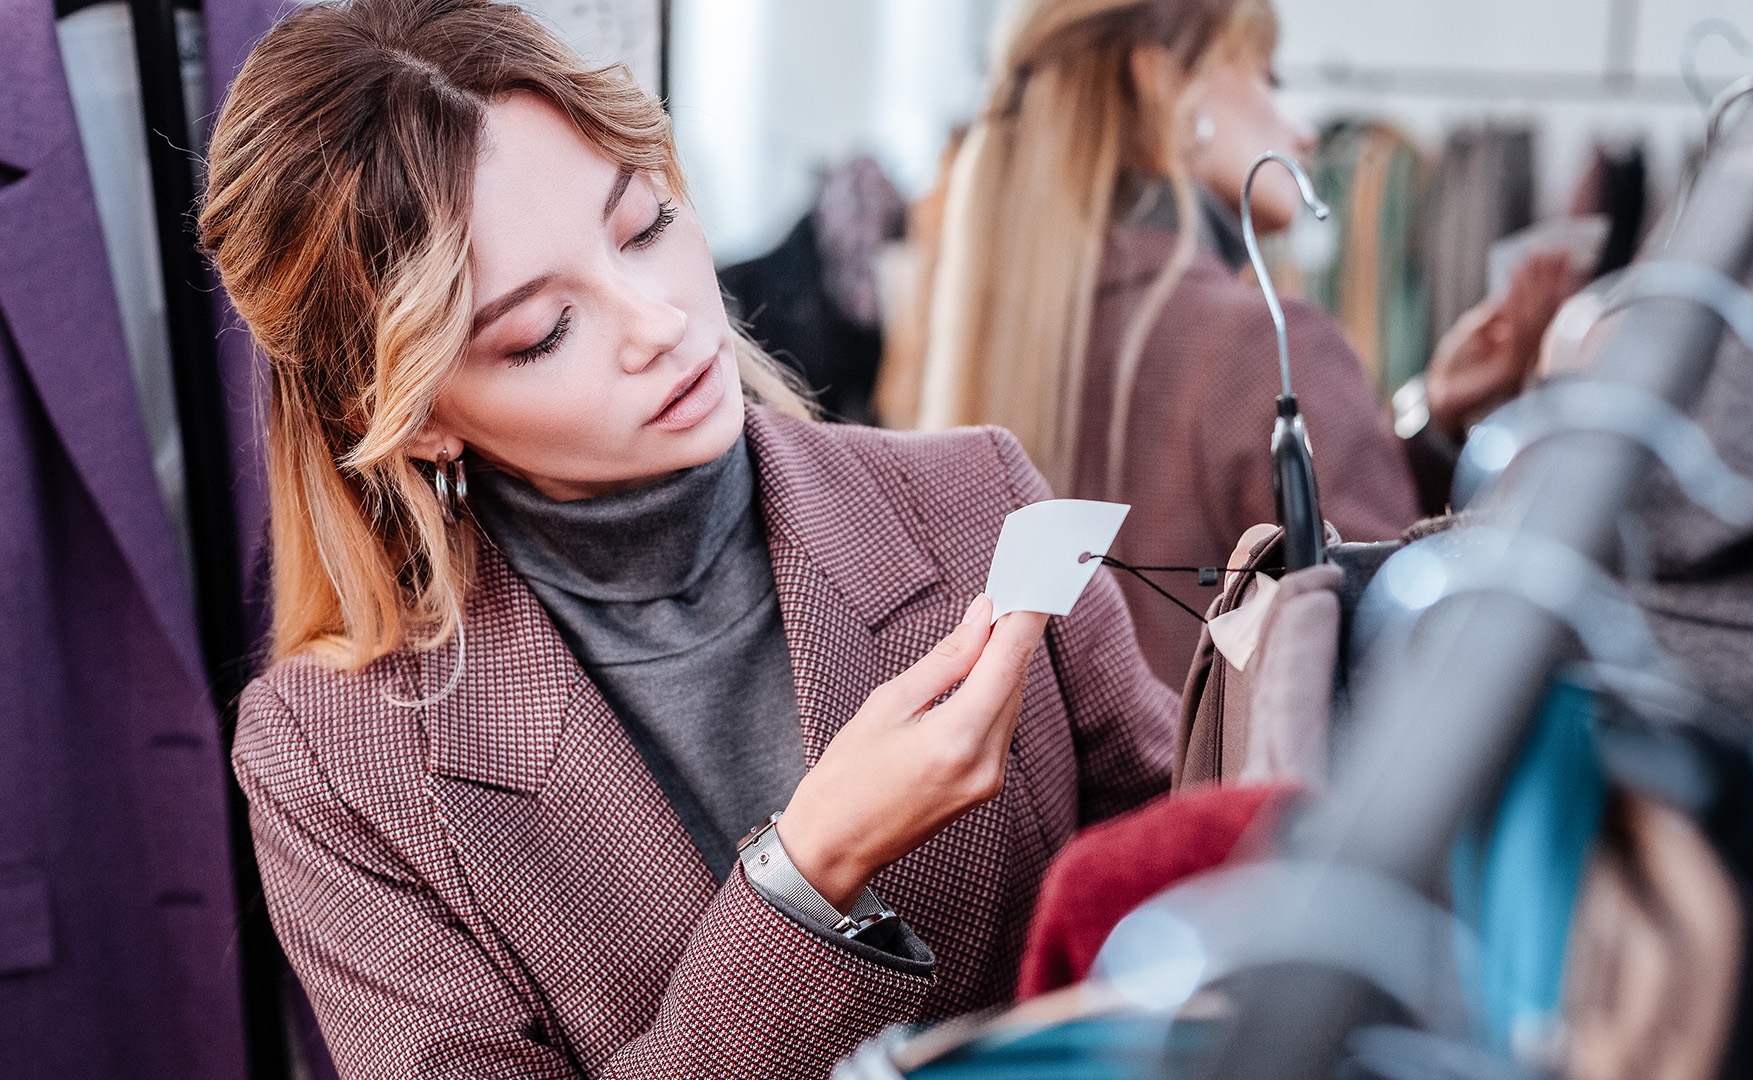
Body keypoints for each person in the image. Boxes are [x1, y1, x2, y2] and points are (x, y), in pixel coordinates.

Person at [197, 0, 1176, 1076]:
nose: (659, 322)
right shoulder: (335, 760)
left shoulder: (978, 502)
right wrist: (810, 872)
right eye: (543, 332)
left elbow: (1201, 904)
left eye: (647, 225)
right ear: (414, 415)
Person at [917, 0, 1422, 686]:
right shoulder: (1265, 352)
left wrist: (1431, 423)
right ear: (1164, 86)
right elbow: (1402, 654)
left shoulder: (1011, 346)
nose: (1301, 131)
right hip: (1249, 795)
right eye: (1269, 78)